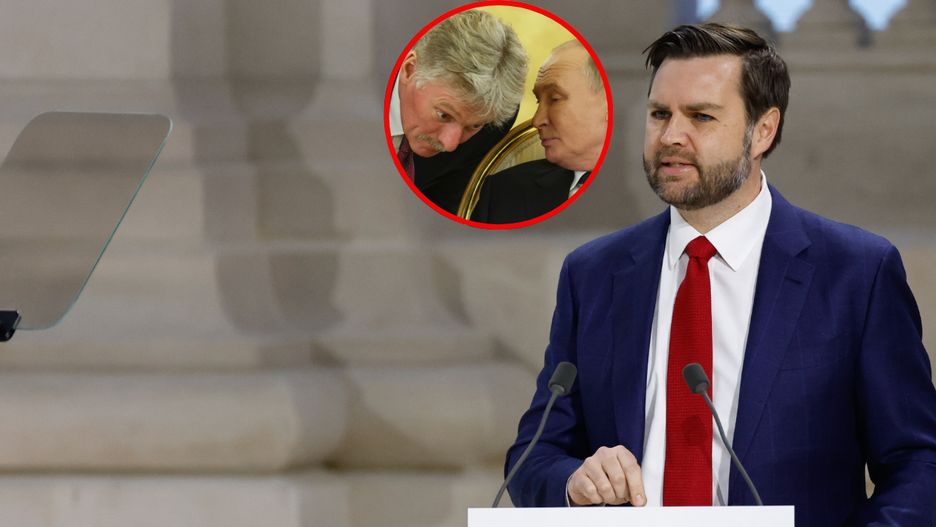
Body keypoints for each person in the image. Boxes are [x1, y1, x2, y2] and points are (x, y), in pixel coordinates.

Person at [505, 23, 936, 527]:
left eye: (701, 116)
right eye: (660, 114)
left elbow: (918, 463)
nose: (670, 136)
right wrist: (573, 482)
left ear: (763, 130)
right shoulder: (594, 274)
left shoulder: (856, 274)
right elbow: (533, 458)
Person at [388, 9, 527, 214]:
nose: (450, 144)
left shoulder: (491, 121)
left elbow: (443, 209)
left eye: (474, 126)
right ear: (410, 70)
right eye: (444, 115)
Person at [471, 40, 608, 224]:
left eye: (554, 99)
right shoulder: (504, 191)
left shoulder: (646, 191)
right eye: (538, 100)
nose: (537, 121)